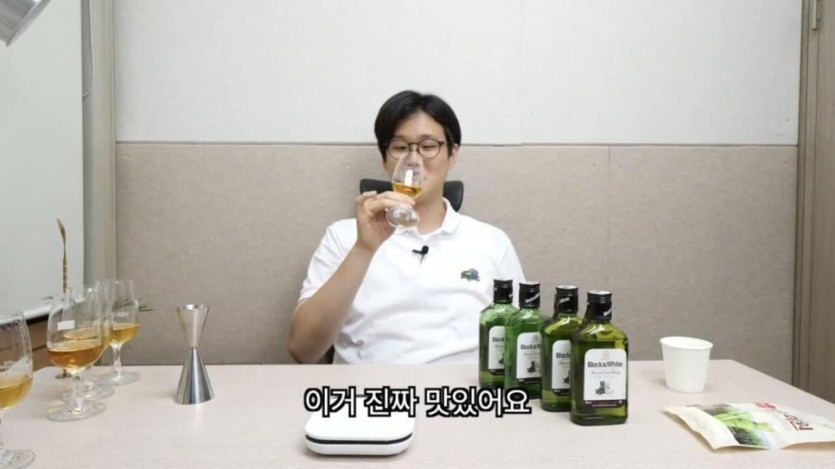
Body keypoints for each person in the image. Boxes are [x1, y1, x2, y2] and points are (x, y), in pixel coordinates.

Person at [289, 90, 525, 364]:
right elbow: (303, 350)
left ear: (453, 155)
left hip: (463, 390)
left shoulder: (491, 242)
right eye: (400, 147)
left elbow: (523, 341)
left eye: (428, 146)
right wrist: (364, 249)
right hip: (371, 389)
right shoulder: (343, 237)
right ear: (384, 158)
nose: (413, 159)